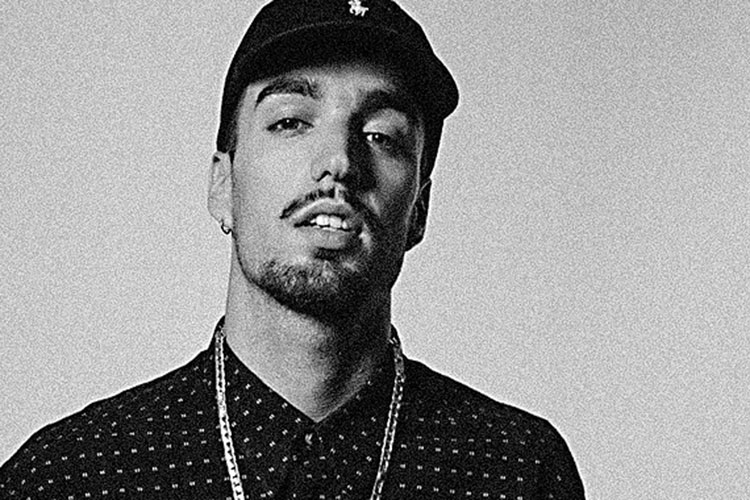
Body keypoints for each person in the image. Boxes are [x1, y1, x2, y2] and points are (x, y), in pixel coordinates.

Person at [1, 0, 585, 498]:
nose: (339, 161)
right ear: (223, 185)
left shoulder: (517, 471)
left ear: (419, 210)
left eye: (381, 135)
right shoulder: (70, 476)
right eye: (290, 122)